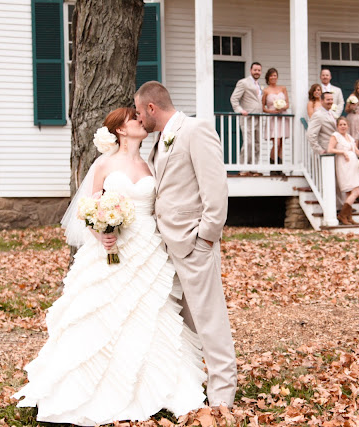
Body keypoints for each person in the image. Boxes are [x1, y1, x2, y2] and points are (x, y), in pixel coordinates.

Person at [13, 107, 207, 425]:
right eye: (133, 119)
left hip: (149, 250)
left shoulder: (151, 165)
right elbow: (88, 207)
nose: (140, 122)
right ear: (119, 130)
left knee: (150, 314)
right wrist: (101, 232)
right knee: (102, 313)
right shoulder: (103, 164)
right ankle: (88, 387)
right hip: (111, 249)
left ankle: (158, 386)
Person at [134, 82, 237, 410]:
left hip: (194, 243)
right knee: (184, 321)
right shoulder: (158, 143)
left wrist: (205, 238)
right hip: (165, 246)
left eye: (139, 112)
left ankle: (223, 395)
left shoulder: (196, 130)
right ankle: (191, 386)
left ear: (152, 108)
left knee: (210, 319)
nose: (138, 119)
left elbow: (215, 191)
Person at [327, 117, 359, 225]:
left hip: (353, 166)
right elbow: (330, 149)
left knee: (350, 193)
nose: (343, 126)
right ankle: (342, 215)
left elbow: (356, 151)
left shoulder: (349, 137)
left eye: (344, 124)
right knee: (356, 192)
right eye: (340, 124)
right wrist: (342, 152)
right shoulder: (335, 136)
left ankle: (349, 217)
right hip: (343, 165)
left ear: (348, 126)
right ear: (337, 126)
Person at [230, 62, 263, 168]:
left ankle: (254, 168)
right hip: (247, 117)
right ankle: (244, 167)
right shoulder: (243, 82)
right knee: (248, 143)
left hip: (259, 118)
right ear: (250, 70)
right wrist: (240, 110)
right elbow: (234, 98)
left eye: (259, 70)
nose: (257, 72)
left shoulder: (259, 85)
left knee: (257, 144)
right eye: (255, 70)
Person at [261, 68, 290, 166]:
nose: (273, 77)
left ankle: (279, 167)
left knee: (281, 143)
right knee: (276, 143)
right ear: (268, 78)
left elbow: (287, 104)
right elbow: (262, 107)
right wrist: (272, 111)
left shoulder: (283, 88)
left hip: (283, 117)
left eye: (275, 75)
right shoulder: (265, 91)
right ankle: (273, 164)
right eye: (271, 75)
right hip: (273, 118)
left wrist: (282, 108)